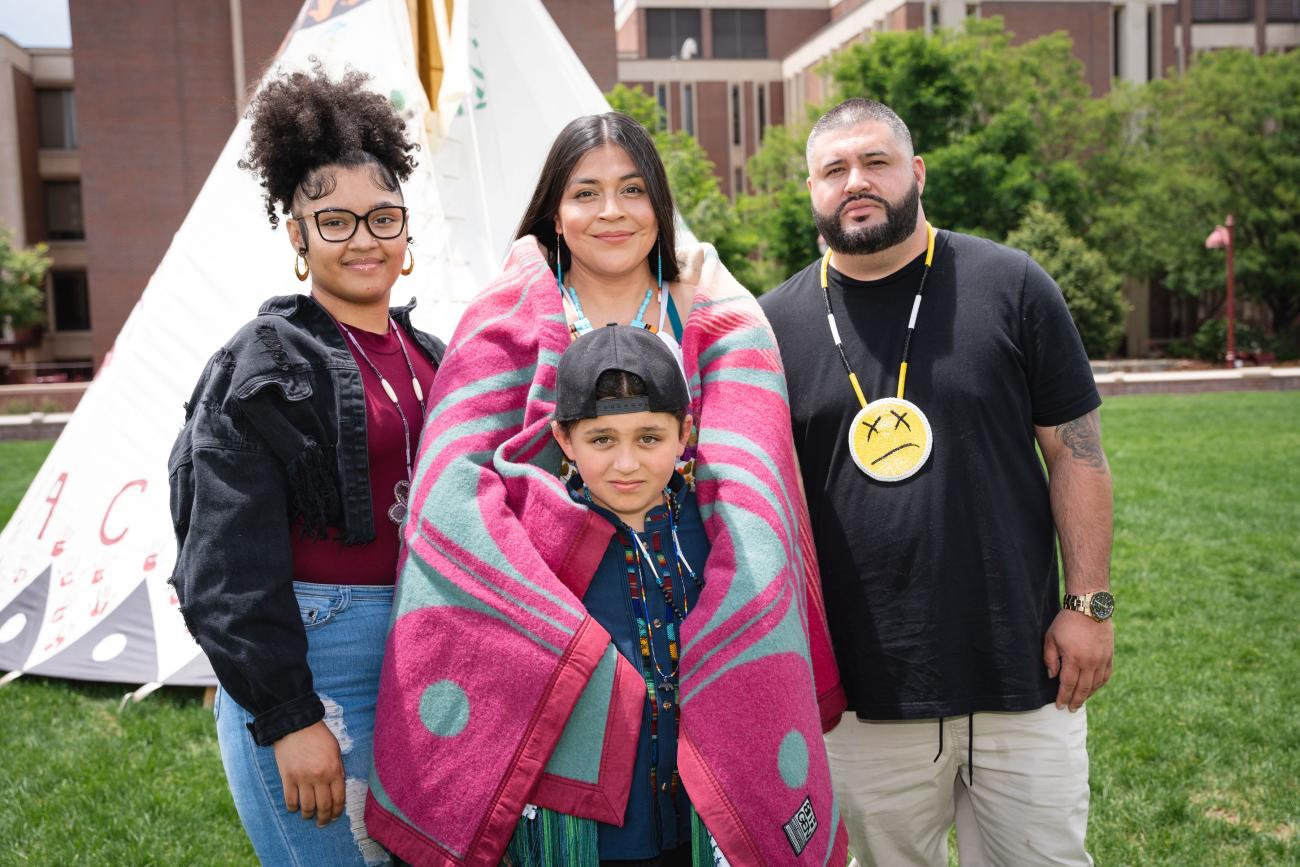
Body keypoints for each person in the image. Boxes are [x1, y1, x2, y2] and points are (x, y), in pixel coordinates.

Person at [365, 112, 848, 867]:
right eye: (586, 193)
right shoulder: (503, 318)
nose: (611, 211)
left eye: (632, 189)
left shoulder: (720, 313)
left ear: (660, 201)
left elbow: (755, 493)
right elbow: (449, 492)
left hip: (696, 597)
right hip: (552, 614)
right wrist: (553, 610)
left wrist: (727, 606)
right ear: (555, 212)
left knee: (693, 817)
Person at [758, 97, 1115, 866]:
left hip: (1023, 669)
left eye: (876, 162)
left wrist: (1088, 604)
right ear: (811, 190)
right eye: (834, 169)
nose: (856, 181)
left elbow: (1078, 452)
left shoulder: (1012, 285)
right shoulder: (771, 327)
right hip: (860, 695)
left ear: (916, 173)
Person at [167, 69, 444, 866]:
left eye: (383, 217)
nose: (364, 238)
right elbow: (222, 562)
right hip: (317, 659)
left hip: (422, 649)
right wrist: (289, 714)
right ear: (297, 235)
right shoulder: (263, 363)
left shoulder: (433, 355)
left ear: (405, 229)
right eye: (335, 221)